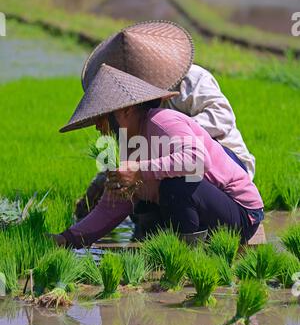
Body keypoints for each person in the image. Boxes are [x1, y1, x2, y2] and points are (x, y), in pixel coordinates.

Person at [52, 62, 264, 249]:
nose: (99, 127)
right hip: (211, 212)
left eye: (103, 118)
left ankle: (188, 257)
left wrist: (139, 171)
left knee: (175, 186)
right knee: (146, 207)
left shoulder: (163, 121)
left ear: (126, 111)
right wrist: (67, 238)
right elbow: (112, 206)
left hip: (242, 213)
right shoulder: (130, 144)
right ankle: (174, 250)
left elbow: (198, 160)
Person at [74, 21, 256, 237]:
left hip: (222, 168)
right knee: (142, 199)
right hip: (170, 164)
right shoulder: (132, 121)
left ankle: (190, 245)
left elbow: (221, 119)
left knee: (175, 185)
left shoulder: (192, 80)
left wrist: (176, 134)